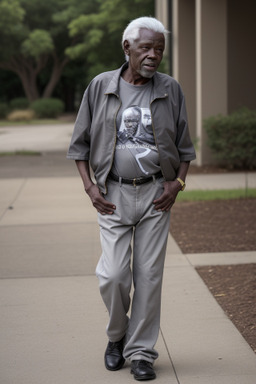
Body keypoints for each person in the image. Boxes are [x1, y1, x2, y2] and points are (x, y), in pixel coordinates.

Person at [67, 16, 196, 381]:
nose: (154, 55)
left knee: (149, 277)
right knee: (113, 275)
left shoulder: (170, 89)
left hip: (157, 194)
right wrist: (90, 187)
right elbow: (78, 145)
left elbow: (186, 149)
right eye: (146, 48)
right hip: (112, 194)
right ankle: (116, 336)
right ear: (127, 48)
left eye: (159, 49)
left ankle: (141, 353)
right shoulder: (100, 86)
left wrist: (177, 185)